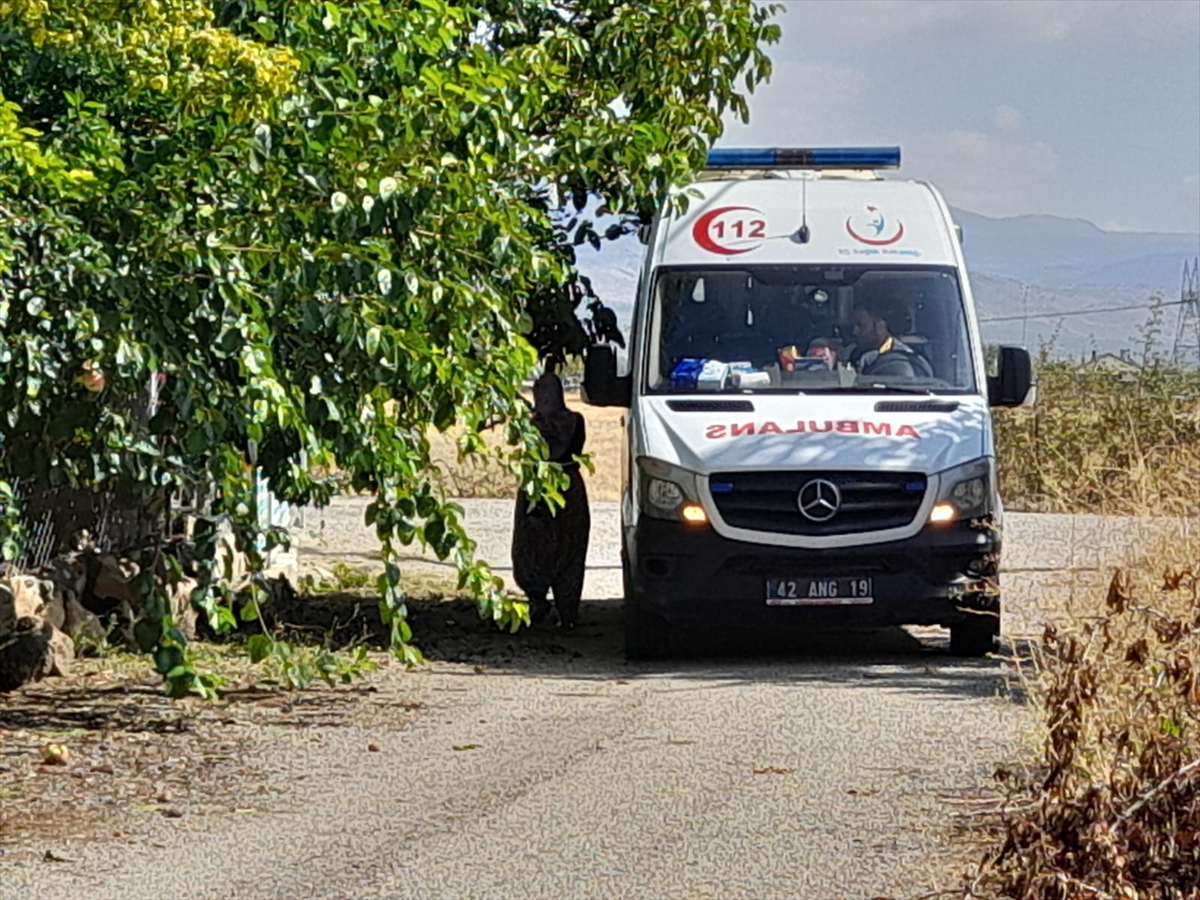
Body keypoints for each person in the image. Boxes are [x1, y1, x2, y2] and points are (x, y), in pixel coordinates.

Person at [511, 372, 591, 629]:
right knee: (563, 547)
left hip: (540, 484)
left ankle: (542, 602)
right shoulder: (574, 421)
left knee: (540, 545)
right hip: (566, 485)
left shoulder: (531, 424)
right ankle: (563, 610)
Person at [850, 299, 929, 377]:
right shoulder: (856, 354)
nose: (854, 332)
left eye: (860, 326)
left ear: (880, 326)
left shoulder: (898, 362)